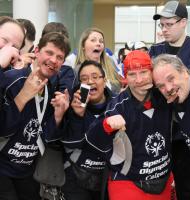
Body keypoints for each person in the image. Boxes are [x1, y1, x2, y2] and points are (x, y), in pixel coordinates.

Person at [85, 50, 175, 200]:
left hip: (164, 179)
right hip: (128, 181)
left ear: (152, 72)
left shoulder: (165, 94)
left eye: (144, 72)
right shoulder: (117, 106)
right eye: (132, 74)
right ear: (125, 77)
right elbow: (90, 140)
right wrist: (106, 125)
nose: (139, 80)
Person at [0, 32, 70, 200]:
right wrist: (23, 96)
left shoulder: (50, 88)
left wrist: (58, 116)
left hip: (28, 171)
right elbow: (2, 129)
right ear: (36, 51)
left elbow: (45, 136)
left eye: (60, 57)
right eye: (50, 53)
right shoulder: (11, 80)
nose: (54, 60)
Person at [149, 1, 190, 199]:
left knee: (188, 185)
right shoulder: (156, 51)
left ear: (184, 22)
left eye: (169, 24)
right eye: (161, 25)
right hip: (162, 131)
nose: (164, 29)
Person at [60, 60, 114, 200]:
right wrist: (78, 116)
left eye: (95, 77)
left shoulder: (117, 104)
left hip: (107, 176)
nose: (90, 81)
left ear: (105, 80)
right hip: (76, 174)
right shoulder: (73, 103)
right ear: (79, 84)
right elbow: (71, 143)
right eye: (84, 79)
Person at [152, 54, 190, 200]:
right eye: (160, 86)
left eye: (171, 78)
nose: (168, 88)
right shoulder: (179, 94)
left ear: (185, 72)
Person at [65, 27, 121, 93]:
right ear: (83, 46)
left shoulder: (110, 64)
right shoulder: (77, 71)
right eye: (93, 40)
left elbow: (117, 89)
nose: (98, 44)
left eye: (101, 41)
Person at [41, 21, 77, 97]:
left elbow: (63, 97)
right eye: (53, 40)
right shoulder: (27, 64)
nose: (53, 60)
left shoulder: (67, 72)